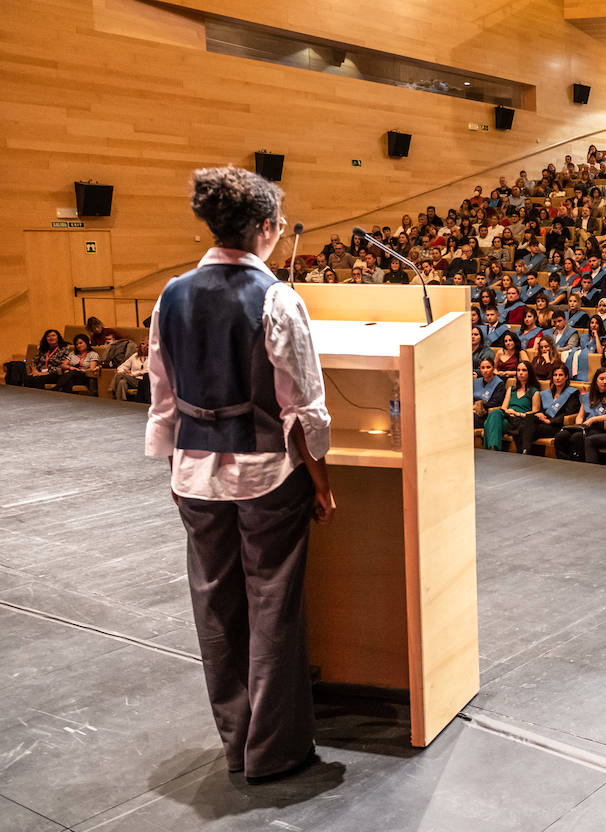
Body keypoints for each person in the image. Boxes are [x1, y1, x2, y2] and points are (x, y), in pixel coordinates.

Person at [145, 166, 333, 783]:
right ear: (264, 228)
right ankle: (273, 753)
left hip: (193, 475)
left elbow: (163, 400)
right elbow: (303, 406)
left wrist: (177, 467)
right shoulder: (279, 299)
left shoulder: (170, 293)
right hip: (267, 475)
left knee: (216, 611)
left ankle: (235, 743)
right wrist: (322, 480)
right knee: (272, 605)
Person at [553, 367, 606, 461]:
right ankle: (563, 461)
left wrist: (593, 419)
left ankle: (576, 462)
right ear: (596, 380)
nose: (604, 382)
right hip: (585, 427)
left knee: (577, 437)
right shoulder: (588, 395)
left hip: (599, 428)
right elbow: (580, 415)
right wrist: (579, 425)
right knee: (561, 436)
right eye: (601, 379)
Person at [517, 363, 580, 453]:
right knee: (527, 420)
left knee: (526, 429)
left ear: (566, 377)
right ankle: (526, 451)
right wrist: (540, 414)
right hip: (543, 422)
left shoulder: (572, 393)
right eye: (555, 375)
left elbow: (569, 413)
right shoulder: (547, 393)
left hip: (557, 426)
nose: (557, 378)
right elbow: (541, 410)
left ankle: (525, 451)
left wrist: (551, 421)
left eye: (560, 375)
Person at [484, 360, 536, 451]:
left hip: (520, 421)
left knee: (488, 423)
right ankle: (494, 448)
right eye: (518, 370)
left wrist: (517, 413)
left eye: (524, 370)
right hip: (508, 418)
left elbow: (535, 412)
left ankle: (491, 450)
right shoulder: (511, 389)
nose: (520, 373)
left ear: (529, 372)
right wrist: (508, 412)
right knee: (495, 412)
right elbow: (504, 407)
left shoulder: (534, 391)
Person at [112, 337, 151, 402]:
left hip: (143, 381)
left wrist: (134, 373)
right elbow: (121, 367)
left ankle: (112, 389)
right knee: (122, 382)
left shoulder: (153, 357)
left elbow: (150, 370)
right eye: (143, 344)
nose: (145, 347)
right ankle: (121, 401)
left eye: (148, 345)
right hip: (132, 379)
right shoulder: (135, 356)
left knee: (121, 375)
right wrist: (125, 371)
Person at [472, 357, 506, 422]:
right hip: (473, 410)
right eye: (483, 368)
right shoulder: (476, 382)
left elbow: (495, 403)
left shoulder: (499, 384)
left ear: (493, 368)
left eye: (488, 367)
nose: (485, 370)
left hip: (487, 414)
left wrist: (481, 405)